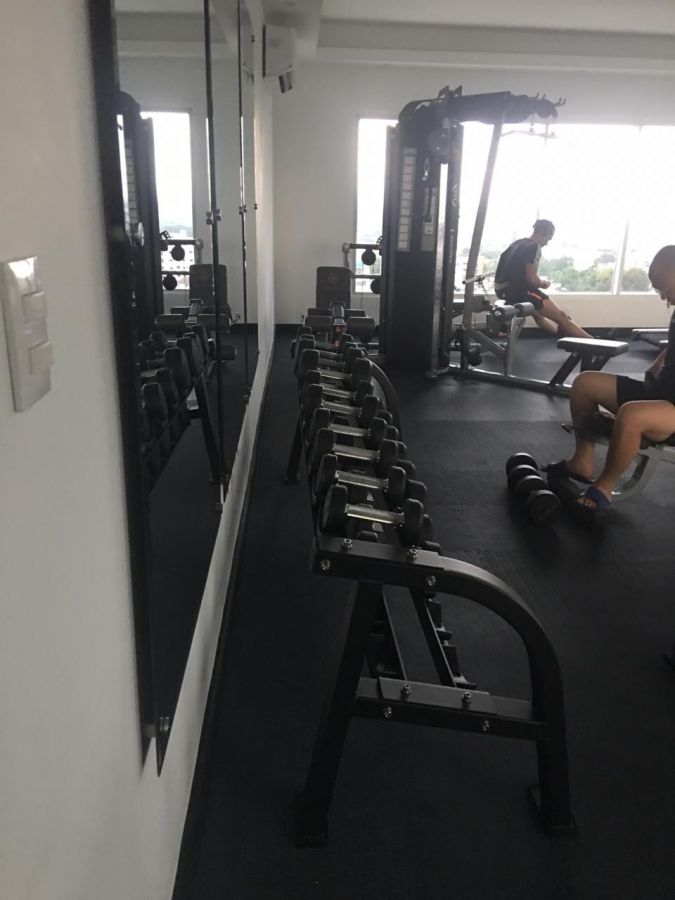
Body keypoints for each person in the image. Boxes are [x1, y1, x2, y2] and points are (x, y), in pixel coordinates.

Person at [548, 244, 675, 513]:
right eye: (659, 290)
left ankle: (604, 486)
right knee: (585, 384)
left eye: (665, 288)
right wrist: (655, 368)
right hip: (660, 393)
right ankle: (582, 462)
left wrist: (648, 412)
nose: (664, 297)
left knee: (632, 414)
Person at [495, 219, 592, 339]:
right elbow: (532, 279)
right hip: (519, 291)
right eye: (548, 239)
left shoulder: (517, 243)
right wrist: (543, 283)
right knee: (561, 316)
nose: (547, 243)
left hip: (502, 290)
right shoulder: (533, 247)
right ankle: (594, 344)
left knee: (538, 314)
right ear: (542, 233)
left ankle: (560, 335)